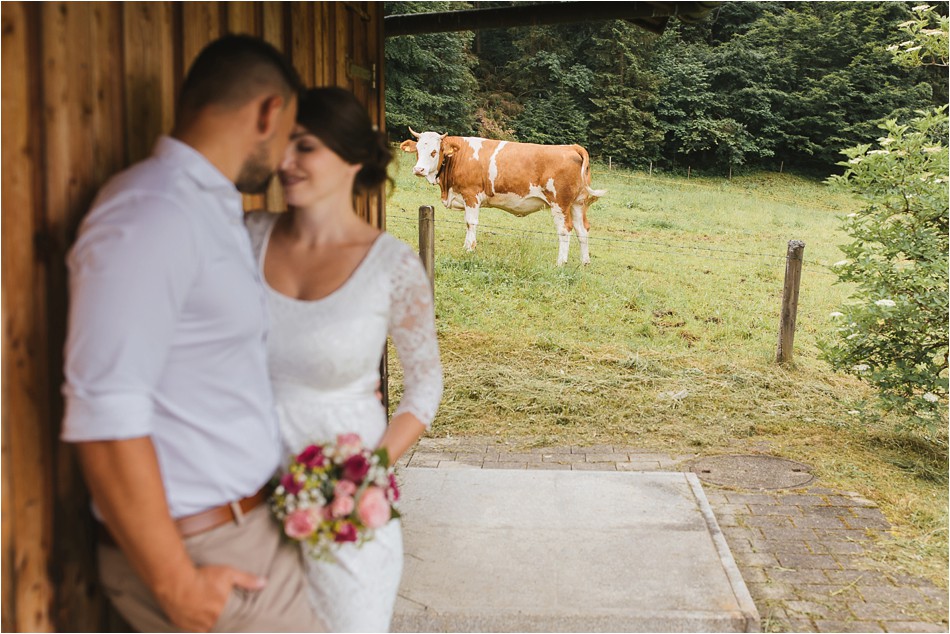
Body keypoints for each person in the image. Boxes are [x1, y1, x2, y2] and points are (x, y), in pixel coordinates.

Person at [60, 35, 323, 633]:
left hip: (243, 534)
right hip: (206, 554)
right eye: (289, 133)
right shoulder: (152, 213)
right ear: (268, 113)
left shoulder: (207, 210)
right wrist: (176, 583)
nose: (285, 156)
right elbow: (105, 409)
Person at [244, 87, 444, 632]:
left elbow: (425, 388)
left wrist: (366, 473)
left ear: (353, 159)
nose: (286, 161)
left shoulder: (392, 267)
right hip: (242, 500)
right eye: (283, 144)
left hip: (341, 506)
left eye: (305, 146)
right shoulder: (247, 239)